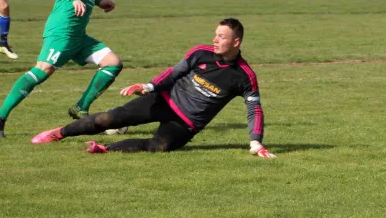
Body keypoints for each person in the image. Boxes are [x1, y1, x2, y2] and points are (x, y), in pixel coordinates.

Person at [31, 18, 276, 159]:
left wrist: (256, 142)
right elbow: (174, 72)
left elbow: (254, 110)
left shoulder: (244, 76)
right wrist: (149, 86)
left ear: (236, 42)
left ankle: (104, 148)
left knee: (160, 146)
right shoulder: (200, 53)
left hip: (186, 123)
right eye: (215, 34)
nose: (215, 40)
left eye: (221, 37)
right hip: (163, 100)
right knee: (109, 118)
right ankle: (59, 133)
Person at [0, 0, 123, 138]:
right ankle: (0, 114)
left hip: (78, 35)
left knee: (113, 63)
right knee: (42, 71)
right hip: (61, 32)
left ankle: (80, 107)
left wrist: (98, 1)